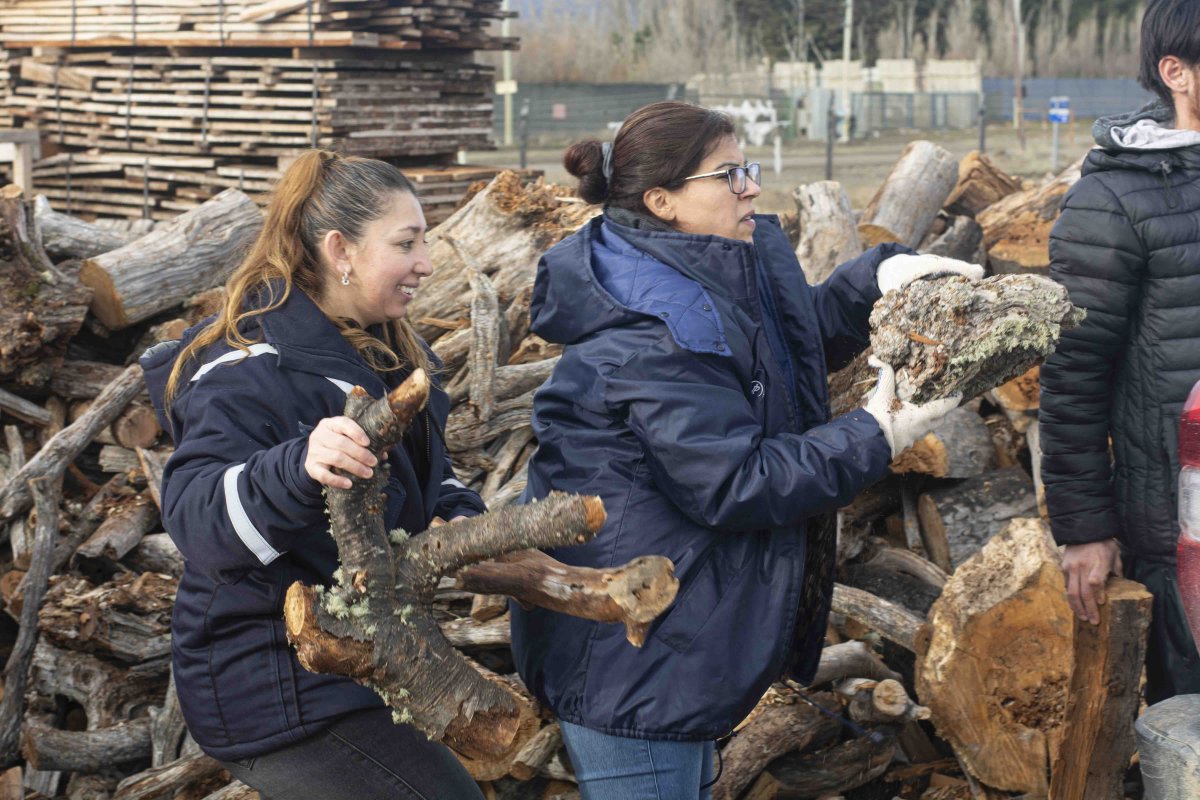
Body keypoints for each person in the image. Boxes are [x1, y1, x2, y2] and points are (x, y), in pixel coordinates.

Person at [509, 101, 980, 799]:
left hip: (674, 640)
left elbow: (777, 352)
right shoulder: (650, 328)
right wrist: (876, 432)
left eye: (747, 169)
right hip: (633, 654)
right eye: (729, 175)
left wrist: (871, 284)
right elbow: (734, 482)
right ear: (663, 201)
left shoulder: (695, 269)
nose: (752, 188)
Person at [141, 150, 487, 799]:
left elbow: (425, 481)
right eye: (406, 243)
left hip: (360, 665)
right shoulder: (250, 367)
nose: (426, 262)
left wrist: (462, 518)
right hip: (272, 684)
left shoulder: (386, 353)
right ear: (340, 250)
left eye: (425, 242)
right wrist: (297, 466)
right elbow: (192, 513)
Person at [1040, 0, 1200, 704]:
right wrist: (1086, 528)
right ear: (1177, 72)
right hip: (1182, 533)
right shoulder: (1113, 198)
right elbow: (1073, 373)